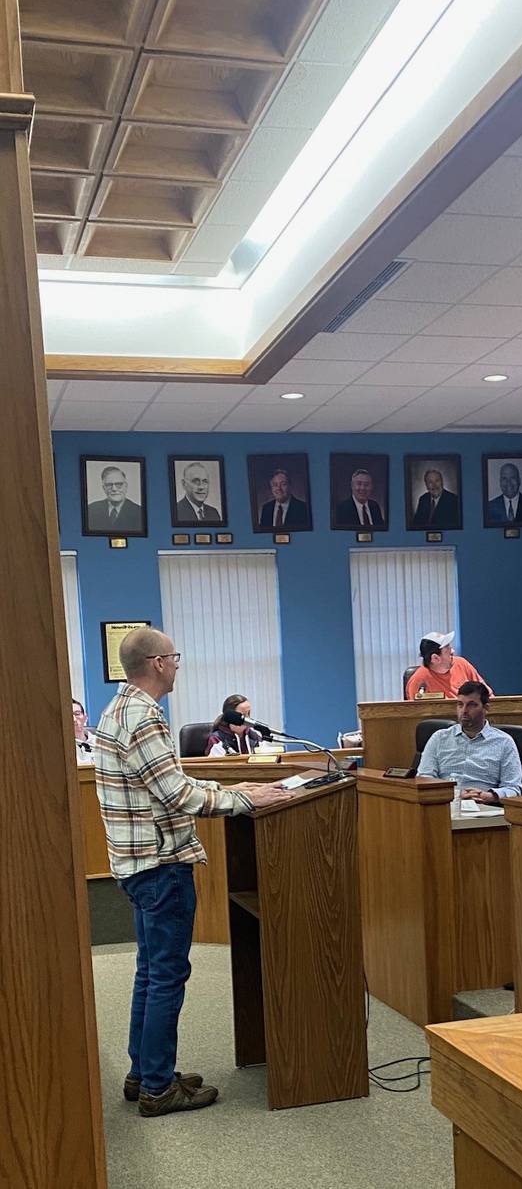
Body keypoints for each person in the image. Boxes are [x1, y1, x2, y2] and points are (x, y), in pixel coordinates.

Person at [94, 627, 285, 1117]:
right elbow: (179, 797)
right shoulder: (144, 716)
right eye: (174, 657)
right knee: (167, 976)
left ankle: (145, 1073)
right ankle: (159, 1087)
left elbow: (167, 781)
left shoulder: (118, 709)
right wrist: (244, 798)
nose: (178, 664)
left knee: (150, 971)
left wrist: (229, 783)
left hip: (136, 864)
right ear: (157, 663)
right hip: (161, 866)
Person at [417, 682, 522, 804]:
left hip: (484, 808)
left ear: (486, 708)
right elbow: (424, 779)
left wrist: (489, 796)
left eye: (471, 705)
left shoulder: (504, 742)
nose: (464, 710)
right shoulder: (439, 738)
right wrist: (453, 794)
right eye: (460, 705)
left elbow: (514, 788)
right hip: (445, 804)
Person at [405, 630, 493, 700]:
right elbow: (417, 713)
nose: (452, 651)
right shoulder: (418, 681)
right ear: (435, 658)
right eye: (447, 648)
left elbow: (486, 693)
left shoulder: (461, 664)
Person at [86, 465, 142, 532]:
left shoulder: (139, 512)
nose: (114, 489)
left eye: (118, 484)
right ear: (104, 488)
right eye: (109, 485)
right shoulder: (91, 510)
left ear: (126, 486)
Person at [73, 697, 95, 763]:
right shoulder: (62, 746)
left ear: (85, 717)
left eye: (77, 714)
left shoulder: (100, 742)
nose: (74, 719)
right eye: (68, 715)